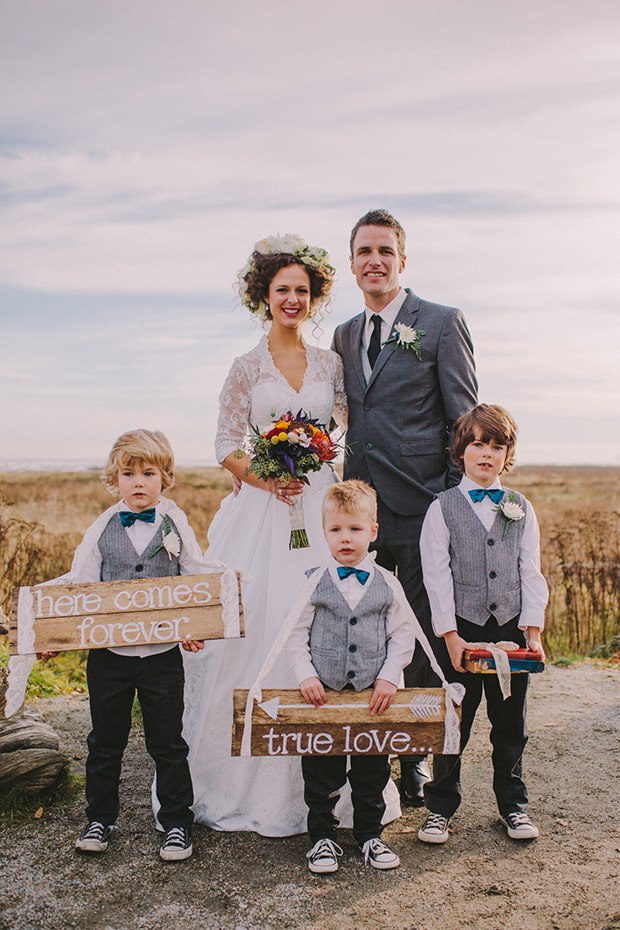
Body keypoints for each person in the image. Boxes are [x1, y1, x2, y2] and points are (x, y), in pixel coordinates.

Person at [180, 235, 403, 836]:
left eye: (303, 291)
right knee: (258, 623)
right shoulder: (245, 367)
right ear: (264, 296)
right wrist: (263, 477)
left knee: (327, 618)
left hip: (322, 502)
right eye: (283, 290)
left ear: (314, 298)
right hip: (262, 506)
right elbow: (226, 445)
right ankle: (243, 782)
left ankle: (337, 787)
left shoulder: (331, 361)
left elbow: (349, 426)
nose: (293, 299)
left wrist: (321, 470)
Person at [332, 208, 478, 806]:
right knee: (367, 631)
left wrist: (445, 500)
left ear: (402, 259)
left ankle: (414, 759)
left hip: (422, 511)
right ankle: (371, 748)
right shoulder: (344, 334)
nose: (374, 261)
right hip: (362, 515)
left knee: (418, 638)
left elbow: (465, 420)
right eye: (364, 251)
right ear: (351, 263)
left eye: (385, 251)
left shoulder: (441, 323)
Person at [59, 430, 207, 861]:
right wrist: (57, 630)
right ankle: (100, 819)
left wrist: (193, 625)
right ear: (114, 479)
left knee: (168, 743)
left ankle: (177, 823)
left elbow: (194, 576)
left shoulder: (174, 523)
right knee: (105, 741)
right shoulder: (102, 527)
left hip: (162, 656)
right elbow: (80, 584)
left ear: (166, 477)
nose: (138, 482)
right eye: (128, 473)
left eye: (148, 473)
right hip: (110, 658)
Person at [417, 404, 548, 843]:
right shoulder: (442, 509)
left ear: (507, 454)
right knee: (455, 721)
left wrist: (532, 633)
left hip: (510, 629)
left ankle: (514, 806)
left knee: (511, 724)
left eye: (497, 446)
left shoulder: (521, 507)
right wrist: (450, 636)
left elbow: (531, 571)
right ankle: (439, 807)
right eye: (478, 444)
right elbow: (435, 576)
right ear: (461, 450)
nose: (487, 454)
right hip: (462, 630)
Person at [287, 480, 415, 873]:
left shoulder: (387, 583)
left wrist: (390, 675)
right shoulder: (312, 580)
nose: (346, 539)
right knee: (321, 771)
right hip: (322, 695)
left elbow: (404, 633)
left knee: (372, 771)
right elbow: (293, 633)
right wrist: (306, 675)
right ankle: (323, 839)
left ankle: (370, 836)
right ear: (324, 532)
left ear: (373, 532)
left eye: (355, 529)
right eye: (336, 530)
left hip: (372, 699)